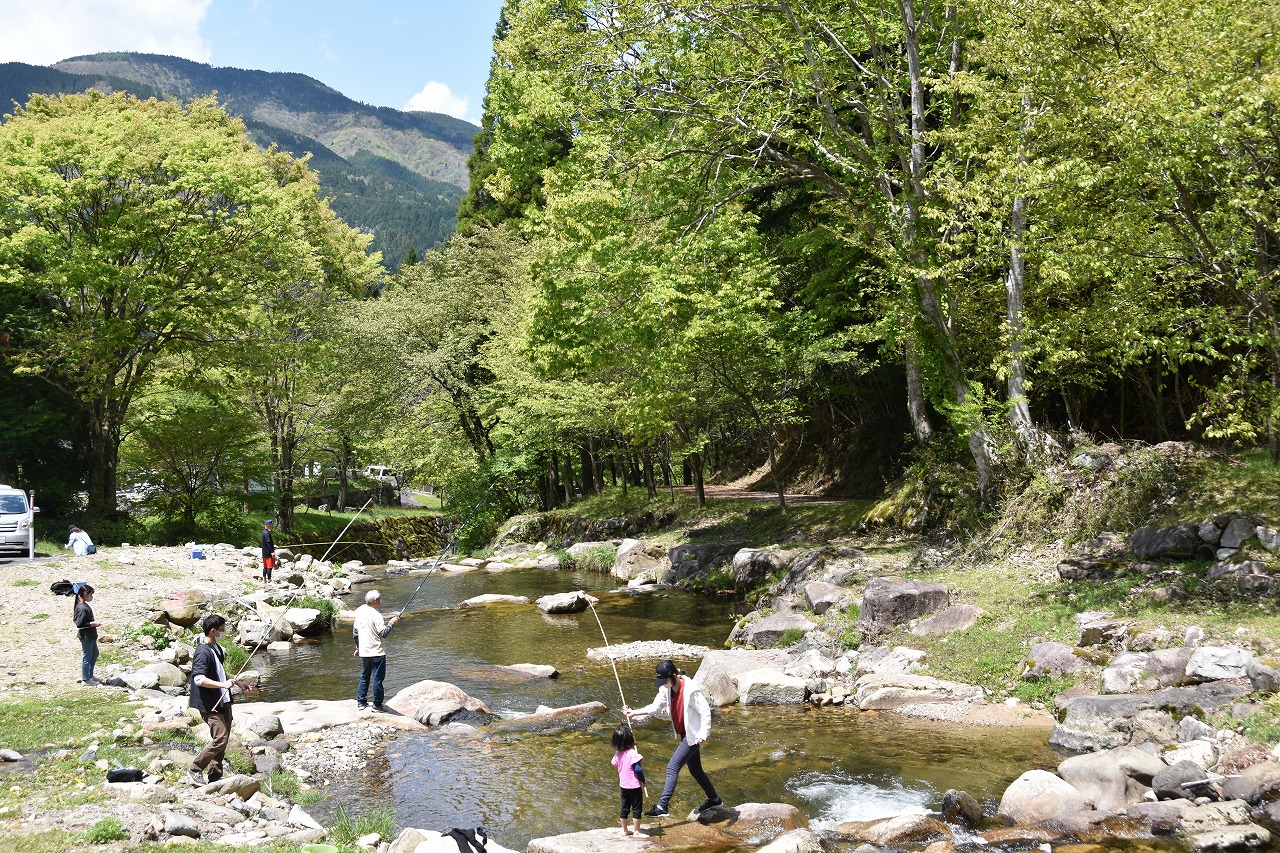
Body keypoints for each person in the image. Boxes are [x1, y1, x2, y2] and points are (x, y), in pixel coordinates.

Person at [624, 659, 722, 818]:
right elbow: (655, 707)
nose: (662, 684)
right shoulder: (666, 688)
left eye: (664, 680)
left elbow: (705, 712)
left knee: (672, 768)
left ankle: (662, 806)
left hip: (694, 736)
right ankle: (714, 799)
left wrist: (703, 734)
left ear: (674, 676)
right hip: (685, 734)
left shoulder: (690, 690)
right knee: (696, 770)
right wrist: (634, 712)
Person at [188, 614, 254, 785]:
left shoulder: (216, 647)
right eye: (222, 630)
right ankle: (195, 768)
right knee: (220, 739)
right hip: (210, 703)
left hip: (223, 700)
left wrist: (239, 682)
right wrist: (222, 685)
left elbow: (219, 672)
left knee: (223, 741)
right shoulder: (202, 652)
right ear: (213, 631)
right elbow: (199, 679)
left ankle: (215, 777)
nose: (224, 633)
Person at [353, 589, 399, 712]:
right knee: (378, 679)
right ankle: (377, 705)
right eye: (379, 599)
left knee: (365, 676)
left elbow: (355, 633)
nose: (380, 601)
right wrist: (391, 623)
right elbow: (383, 634)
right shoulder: (376, 615)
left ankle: (361, 702)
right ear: (375, 601)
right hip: (377, 652)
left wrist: (358, 647)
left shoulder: (360, 613)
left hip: (365, 652)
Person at [611, 724, 645, 836]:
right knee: (636, 808)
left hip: (623, 785)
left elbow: (615, 763)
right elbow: (638, 770)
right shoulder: (633, 754)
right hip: (634, 786)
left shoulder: (618, 754)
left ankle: (624, 830)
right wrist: (643, 781)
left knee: (625, 807)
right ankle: (636, 831)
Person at [72, 583, 101, 685]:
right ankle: (86, 679)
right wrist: (92, 624)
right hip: (86, 636)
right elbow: (80, 624)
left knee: (95, 653)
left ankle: (90, 675)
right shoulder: (82, 608)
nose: (91, 596)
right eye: (90, 594)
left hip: (91, 635)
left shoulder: (84, 605)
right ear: (85, 594)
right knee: (87, 657)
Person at [260, 518, 275, 583]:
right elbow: (268, 543)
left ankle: (264, 579)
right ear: (268, 525)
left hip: (264, 553)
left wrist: (274, 545)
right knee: (269, 567)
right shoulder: (267, 533)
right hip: (269, 553)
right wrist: (272, 552)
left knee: (265, 567)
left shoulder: (263, 532)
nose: (272, 527)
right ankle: (269, 580)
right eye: (272, 525)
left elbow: (266, 543)